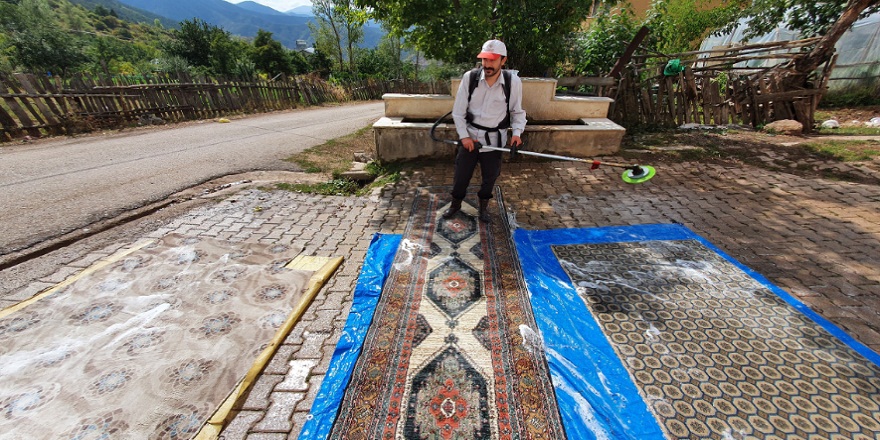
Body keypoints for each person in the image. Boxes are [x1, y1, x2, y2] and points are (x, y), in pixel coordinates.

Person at [442, 39, 526, 223]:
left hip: (495, 142)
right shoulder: (470, 78)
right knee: (461, 177)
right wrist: (464, 137)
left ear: (503, 60)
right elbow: (458, 112)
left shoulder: (513, 83)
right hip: (470, 139)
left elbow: (517, 112)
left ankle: (483, 209)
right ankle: (455, 204)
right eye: (484, 60)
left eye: (492, 60)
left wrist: (517, 134)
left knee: (490, 178)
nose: (487, 65)